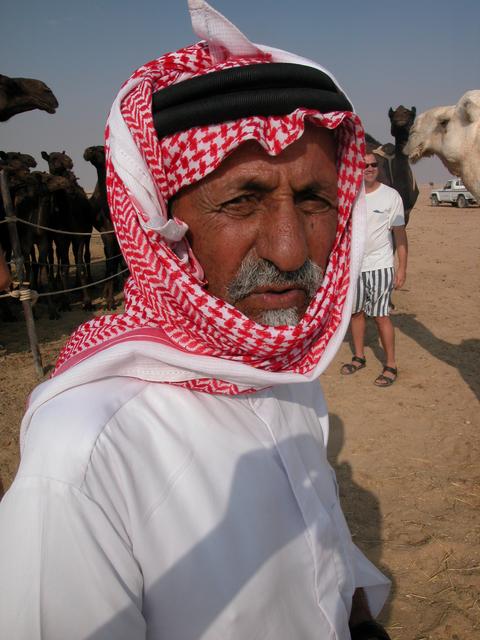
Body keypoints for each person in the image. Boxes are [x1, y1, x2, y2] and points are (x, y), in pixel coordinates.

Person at [0, 2, 392, 639]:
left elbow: (313, 542)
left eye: (315, 199)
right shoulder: (85, 452)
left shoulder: (282, 367)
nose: (290, 251)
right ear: (165, 226)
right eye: (242, 200)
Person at [340, 152, 408, 386]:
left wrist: (402, 269)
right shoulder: (349, 195)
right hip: (354, 266)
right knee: (356, 313)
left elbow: (400, 236)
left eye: (373, 164)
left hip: (380, 265)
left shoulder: (391, 196)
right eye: (363, 164)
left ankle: (391, 364)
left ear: (378, 167)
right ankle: (359, 356)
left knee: (381, 316)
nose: (369, 168)